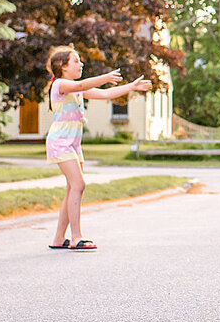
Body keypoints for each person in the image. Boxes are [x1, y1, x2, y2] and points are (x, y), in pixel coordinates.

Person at [45, 46, 152, 251]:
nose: (81, 64)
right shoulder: (60, 85)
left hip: (73, 144)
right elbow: (84, 84)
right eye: (76, 61)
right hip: (60, 143)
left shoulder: (76, 88)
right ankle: (76, 237)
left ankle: (58, 238)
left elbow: (106, 94)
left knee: (72, 188)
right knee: (78, 185)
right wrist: (106, 76)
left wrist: (131, 87)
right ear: (63, 66)